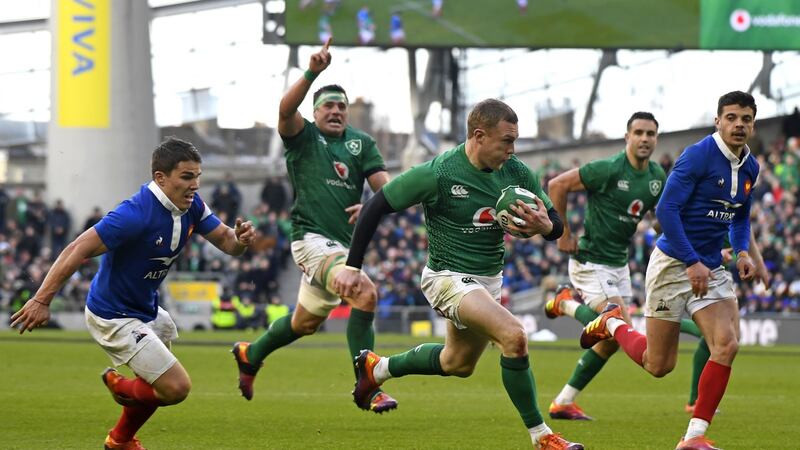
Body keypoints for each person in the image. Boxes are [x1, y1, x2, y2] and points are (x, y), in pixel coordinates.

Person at [335, 99, 583, 449]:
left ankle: (377, 368)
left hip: (487, 281)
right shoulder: (438, 174)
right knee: (514, 336)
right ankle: (542, 436)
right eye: (507, 141)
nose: (513, 150)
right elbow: (375, 206)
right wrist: (352, 266)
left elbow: (555, 224)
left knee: (458, 363)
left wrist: (547, 225)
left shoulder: (516, 172)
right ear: (479, 136)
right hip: (446, 277)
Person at [10, 137, 256, 450]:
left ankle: (120, 441)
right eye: (186, 177)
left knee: (158, 383)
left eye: (197, 176)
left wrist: (241, 240)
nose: (195, 185)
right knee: (176, 388)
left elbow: (226, 242)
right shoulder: (134, 214)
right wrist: (41, 299)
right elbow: (76, 249)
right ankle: (120, 386)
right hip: (112, 315)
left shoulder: (192, 205)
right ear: (160, 178)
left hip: (146, 310)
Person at [580, 91, 760, 450]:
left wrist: (742, 252)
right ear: (718, 121)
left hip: (711, 266)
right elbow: (665, 211)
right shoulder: (698, 156)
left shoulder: (750, 167)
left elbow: (740, 216)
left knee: (726, 345)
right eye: (732, 117)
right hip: (674, 264)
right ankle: (613, 322)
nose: (739, 124)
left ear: (753, 124)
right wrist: (691, 260)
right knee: (658, 365)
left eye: (746, 119)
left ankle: (693, 438)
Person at [230, 38, 398, 413]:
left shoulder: (362, 143)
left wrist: (374, 203)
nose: (336, 111)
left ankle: (250, 353)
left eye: (342, 106)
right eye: (328, 106)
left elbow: (384, 188)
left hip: (342, 245)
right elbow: (285, 109)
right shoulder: (304, 137)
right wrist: (311, 73)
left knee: (304, 324)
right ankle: (367, 384)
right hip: (310, 240)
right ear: (316, 112)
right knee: (364, 292)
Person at [544, 112, 709, 420]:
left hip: (619, 265)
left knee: (610, 342)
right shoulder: (607, 169)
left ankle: (564, 402)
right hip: (591, 261)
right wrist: (563, 233)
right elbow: (558, 184)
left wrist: (688, 240)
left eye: (651, 134)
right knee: (620, 327)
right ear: (627, 137)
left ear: (656, 139)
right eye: (639, 133)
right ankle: (564, 303)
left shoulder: (657, 177)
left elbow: (661, 220)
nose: (645, 139)